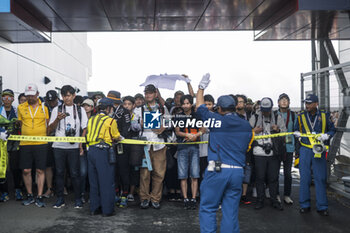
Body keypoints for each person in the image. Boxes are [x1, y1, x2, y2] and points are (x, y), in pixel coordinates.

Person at [197, 74, 253, 233]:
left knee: (208, 207)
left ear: (219, 109)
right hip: (237, 171)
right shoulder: (246, 126)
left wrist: (201, 88)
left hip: (217, 169)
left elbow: (199, 107)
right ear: (235, 107)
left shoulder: (216, 121)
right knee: (230, 211)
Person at [294, 94, 335, 216]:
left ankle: (322, 206)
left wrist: (327, 135)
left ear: (316, 103)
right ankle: (304, 205)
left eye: (309, 103)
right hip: (305, 150)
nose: (307, 105)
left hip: (319, 150)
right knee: (305, 178)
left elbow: (332, 129)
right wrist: (297, 134)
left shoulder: (325, 115)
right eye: (306, 103)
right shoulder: (301, 116)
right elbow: (296, 129)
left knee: (320, 178)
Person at [47, 85, 88, 209]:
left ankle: (77, 198)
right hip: (59, 146)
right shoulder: (57, 109)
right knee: (59, 172)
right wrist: (57, 120)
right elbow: (49, 130)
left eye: (69, 95)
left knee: (75, 173)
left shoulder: (80, 110)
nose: (66, 98)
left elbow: (84, 128)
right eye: (64, 96)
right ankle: (60, 199)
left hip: (74, 146)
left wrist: (80, 144)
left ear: (74, 96)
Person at [249, 97, 286, 211]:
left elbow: (285, 133)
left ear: (271, 108)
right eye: (263, 110)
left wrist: (278, 130)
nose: (265, 112)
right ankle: (260, 200)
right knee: (259, 178)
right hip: (259, 152)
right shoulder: (254, 117)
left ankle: (274, 200)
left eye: (267, 110)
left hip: (273, 152)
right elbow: (246, 133)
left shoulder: (277, 117)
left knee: (273, 178)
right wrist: (253, 131)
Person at [86, 97, 120, 217]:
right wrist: (120, 138)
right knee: (106, 181)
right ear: (108, 108)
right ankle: (107, 210)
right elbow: (116, 136)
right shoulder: (111, 121)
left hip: (91, 151)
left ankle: (94, 208)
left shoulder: (91, 119)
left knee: (94, 181)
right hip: (103, 152)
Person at [17, 84, 49, 207]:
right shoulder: (21, 107)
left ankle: (39, 196)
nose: (30, 97)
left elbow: (48, 124)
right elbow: (20, 123)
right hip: (25, 143)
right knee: (26, 170)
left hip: (41, 143)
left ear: (37, 94)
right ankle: (30, 195)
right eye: (28, 95)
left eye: (32, 95)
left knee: (40, 170)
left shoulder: (44, 107)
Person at [139, 84, 169, 210]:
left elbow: (170, 122)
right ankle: (144, 198)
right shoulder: (139, 108)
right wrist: (138, 124)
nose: (148, 95)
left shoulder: (162, 108)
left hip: (159, 144)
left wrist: (163, 127)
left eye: (150, 93)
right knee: (145, 173)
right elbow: (133, 124)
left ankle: (155, 199)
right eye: (146, 93)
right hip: (145, 144)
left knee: (159, 173)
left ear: (155, 94)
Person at [174, 95, 204, 210]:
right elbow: (177, 132)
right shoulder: (177, 116)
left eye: (187, 103)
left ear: (191, 104)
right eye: (184, 103)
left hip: (195, 147)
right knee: (183, 175)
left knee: (195, 174)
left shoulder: (197, 115)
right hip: (182, 147)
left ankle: (193, 198)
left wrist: (195, 135)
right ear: (181, 105)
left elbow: (203, 129)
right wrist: (187, 135)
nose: (185, 105)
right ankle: (186, 198)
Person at [107, 90, 131, 207]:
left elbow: (127, 129)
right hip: (109, 146)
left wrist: (117, 137)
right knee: (113, 171)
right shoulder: (107, 111)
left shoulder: (125, 112)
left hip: (122, 145)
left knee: (123, 171)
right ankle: (115, 194)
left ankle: (124, 195)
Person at [0, 89, 23, 202]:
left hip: (14, 144)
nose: (7, 100)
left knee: (15, 168)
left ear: (13, 99)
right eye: (4, 97)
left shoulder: (17, 110)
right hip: (1, 144)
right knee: (2, 168)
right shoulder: (0, 110)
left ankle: (18, 189)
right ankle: (4, 192)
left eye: (9, 97)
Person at [275, 93, 297, 204]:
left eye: (286, 100)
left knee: (288, 173)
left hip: (289, 146)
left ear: (289, 102)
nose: (284, 101)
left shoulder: (293, 115)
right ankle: (276, 194)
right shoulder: (273, 114)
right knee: (275, 173)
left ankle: (287, 195)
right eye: (282, 100)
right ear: (278, 102)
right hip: (277, 146)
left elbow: (297, 131)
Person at [42, 90, 61, 199]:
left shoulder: (62, 106)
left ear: (57, 99)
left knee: (60, 165)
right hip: (47, 137)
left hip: (59, 137)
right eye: (49, 101)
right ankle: (49, 188)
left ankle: (61, 187)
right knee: (48, 164)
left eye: (53, 100)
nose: (51, 103)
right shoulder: (43, 107)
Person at [235, 94, 253, 205]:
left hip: (248, 147)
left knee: (247, 170)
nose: (239, 104)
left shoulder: (251, 115)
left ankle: (244, 195)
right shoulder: (232, 116)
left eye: (241, 102)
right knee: (237, 172)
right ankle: (236, 194)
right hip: (235, 148)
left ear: (245, 104)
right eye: (237, 102)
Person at [80, 98, 94, 201]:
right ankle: (82, 194)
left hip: (93, 149)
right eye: (84, 105)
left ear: (92, 108)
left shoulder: (95, 119)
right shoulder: (79, 117)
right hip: (82, 149)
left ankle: (92, 195)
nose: (86, 107)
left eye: (88, 105)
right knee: (83, 172)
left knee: (92, 173)